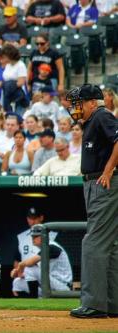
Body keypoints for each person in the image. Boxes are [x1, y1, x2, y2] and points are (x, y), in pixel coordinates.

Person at [65, 84, 118, 319]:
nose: (75, 109)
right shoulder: (93, 120)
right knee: (111, 246)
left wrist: (107, 171)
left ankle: (94, 304)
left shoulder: (101, 115)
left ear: (90, 102)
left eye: (78, 104)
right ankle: (111, 303)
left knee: (93, 243)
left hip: (103, 184)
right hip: (98, 184)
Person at [11, 224, 72, 298]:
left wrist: (20, 265)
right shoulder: (42, 249)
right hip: (50, 284)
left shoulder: (52, 246)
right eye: (32, 236)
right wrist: (18, 273)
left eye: (36, 236)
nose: (33, 239)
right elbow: (32, 272)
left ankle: (35, 301)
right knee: (17, 282)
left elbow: (30, 263)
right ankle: (35, 303)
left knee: (30, 268)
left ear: (44, 236)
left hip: (63, 286)